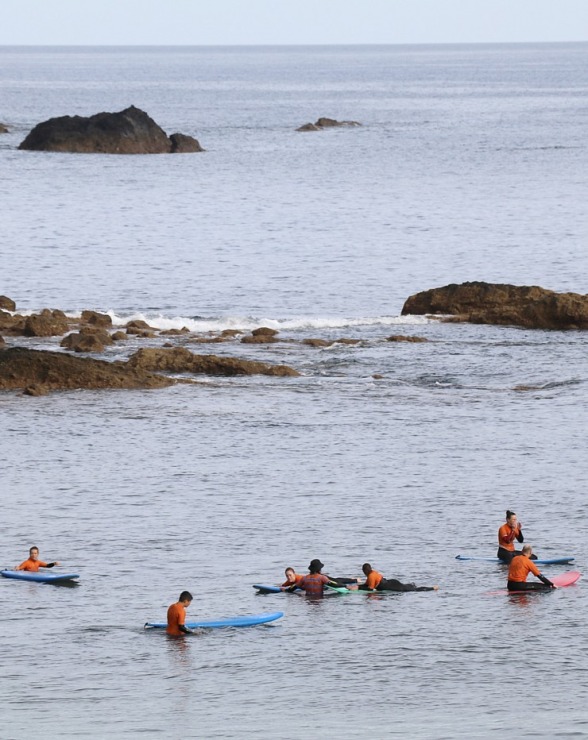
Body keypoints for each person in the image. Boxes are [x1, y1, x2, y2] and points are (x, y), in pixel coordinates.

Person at [357, 563, 438, 592]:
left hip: (392, 586)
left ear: (364, 571)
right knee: (407, 587)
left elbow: (370, 589)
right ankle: (412, 585)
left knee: (413, 590)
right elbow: (366, 585)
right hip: (391, 582)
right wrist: (358, 586)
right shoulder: (372, 573)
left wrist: (358, 588)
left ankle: (432, 588)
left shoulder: (371, 576)